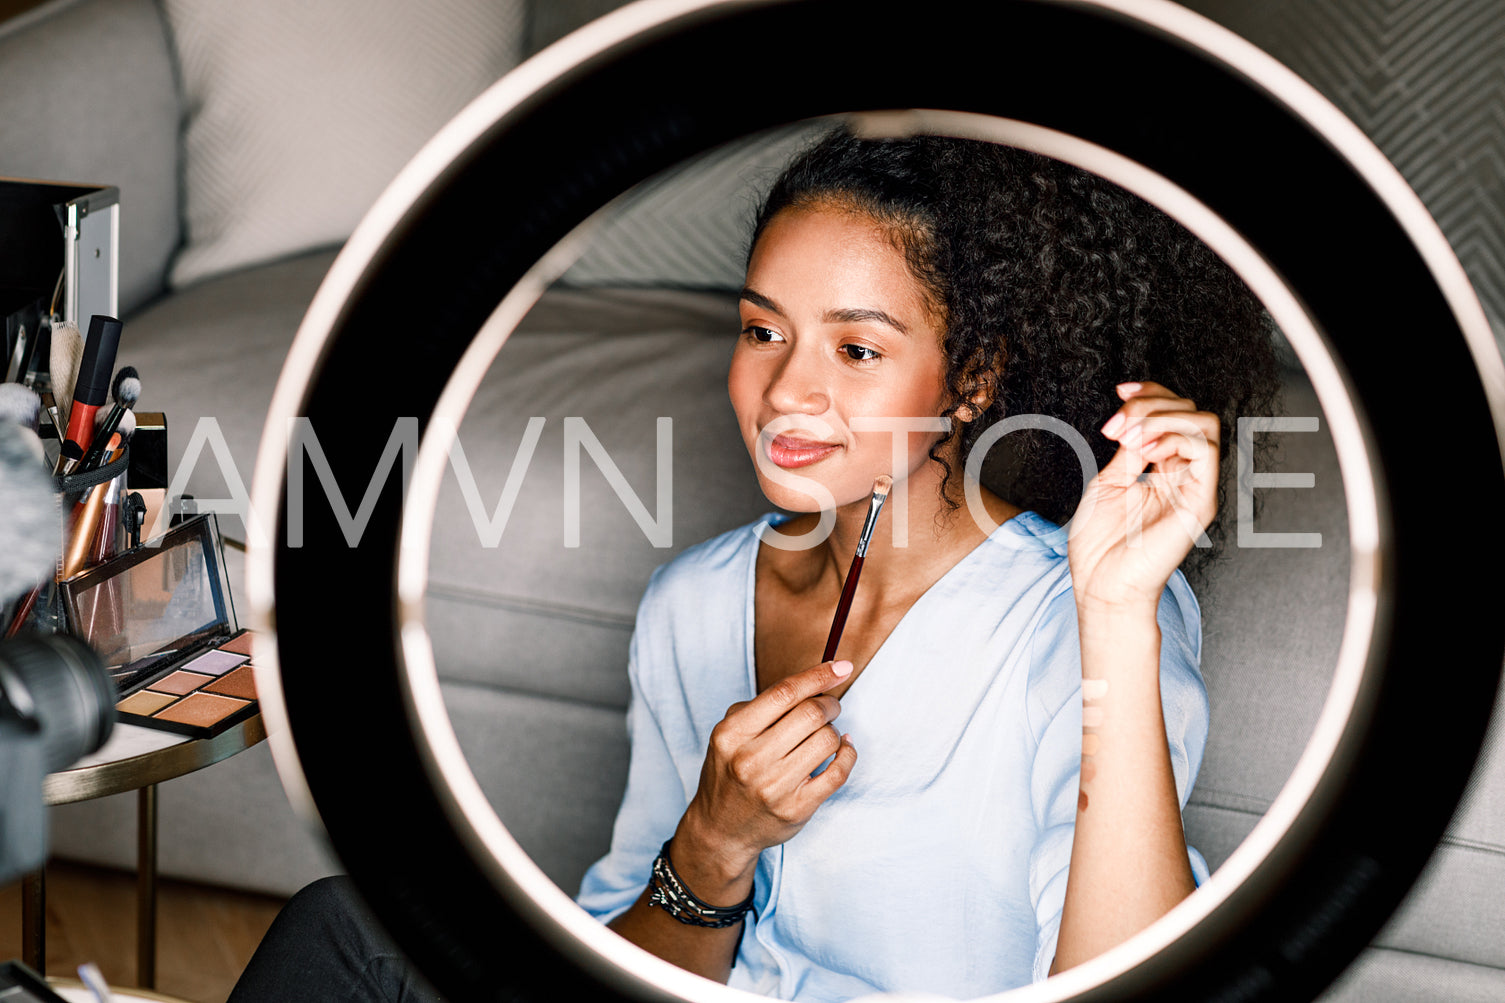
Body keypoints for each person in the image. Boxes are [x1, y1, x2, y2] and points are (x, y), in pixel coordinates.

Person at [228, 127, 1279, 1002]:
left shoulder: (1082, 614)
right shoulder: (693, 604)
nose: (784, 391)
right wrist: (710, 846)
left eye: (855, 349)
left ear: (971, 377)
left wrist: (1115, 612)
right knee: (346, 926)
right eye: (761, 329)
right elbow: (627, 963)